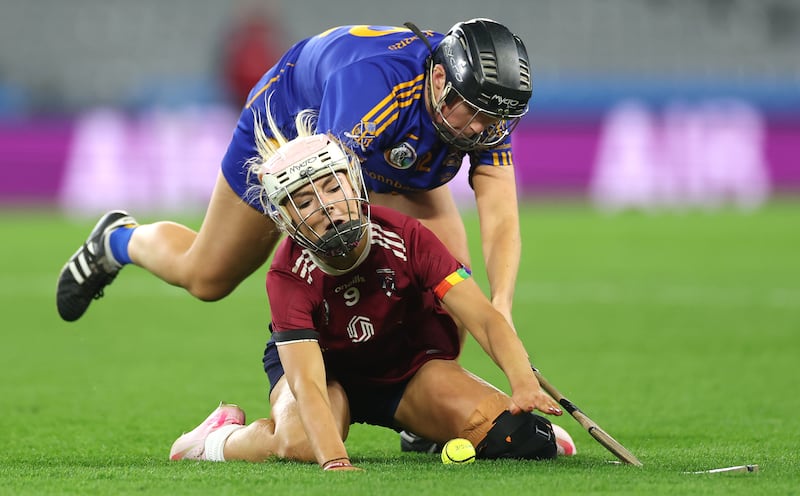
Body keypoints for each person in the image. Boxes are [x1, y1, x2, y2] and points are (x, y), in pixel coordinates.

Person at [56, 18, 531, 451]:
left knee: (454, 280)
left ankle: (420, 418)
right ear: (440, 77)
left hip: (382, 148)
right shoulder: (372, 89)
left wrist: (502, 306)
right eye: (469, 113)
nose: (478, 130)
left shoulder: (487, 104)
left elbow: (501, 212)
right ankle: (118, 239)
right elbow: (329, 202)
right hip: (293, 130)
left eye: (490, 121)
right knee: (206, 276)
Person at [168, 110, 575, 470]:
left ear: (353, 182)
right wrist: (335, 461)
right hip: (325, 375)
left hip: (407, 369)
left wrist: (522, 382)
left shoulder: (408, 236)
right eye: (303, 200)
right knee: (301, 443)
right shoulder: (287, 274)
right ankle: (215, 441)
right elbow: (308, 384)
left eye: (331, 187)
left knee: (519, 442)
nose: (326, 207)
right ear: (285, 216)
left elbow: (484, 319)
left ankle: (428, 429)